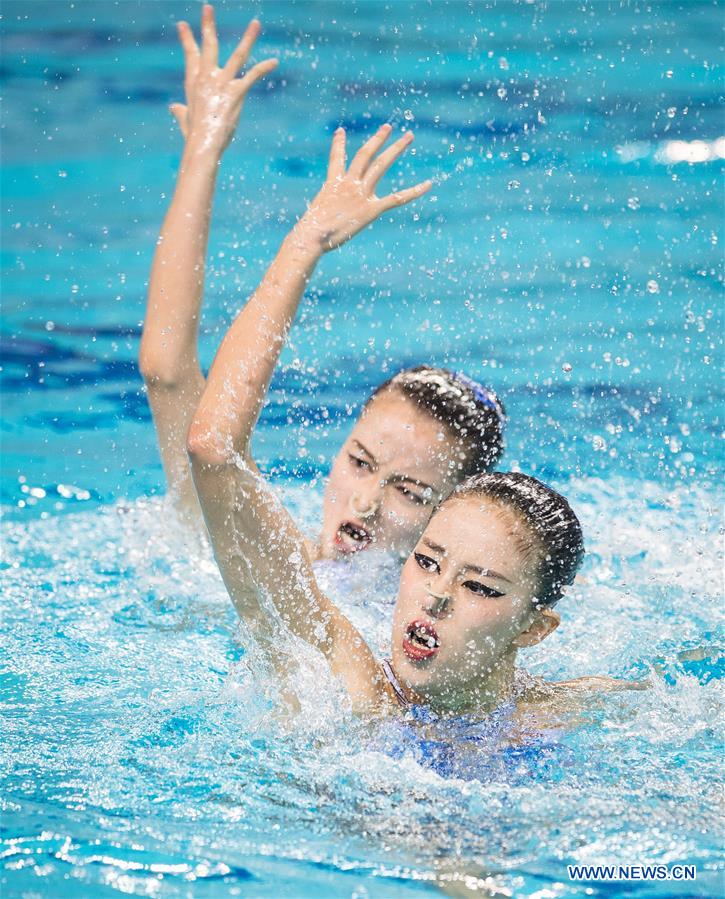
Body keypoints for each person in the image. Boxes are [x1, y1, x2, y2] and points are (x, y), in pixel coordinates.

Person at [183, 103, 594, 718]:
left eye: (479, 586)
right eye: (427, 562)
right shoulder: (357, 690)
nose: (436, 598)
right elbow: (213, 449)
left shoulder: (565, 712)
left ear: (536, 629)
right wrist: (307, 244)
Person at [138, 5, 506, 563]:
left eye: (410, 493)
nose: (364, 504)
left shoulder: (411, 637)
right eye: (360, 462)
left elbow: (215, 445)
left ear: (452, 514)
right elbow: (167, 374)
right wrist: (202, 152)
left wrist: (307, 242)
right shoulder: (244, 548)